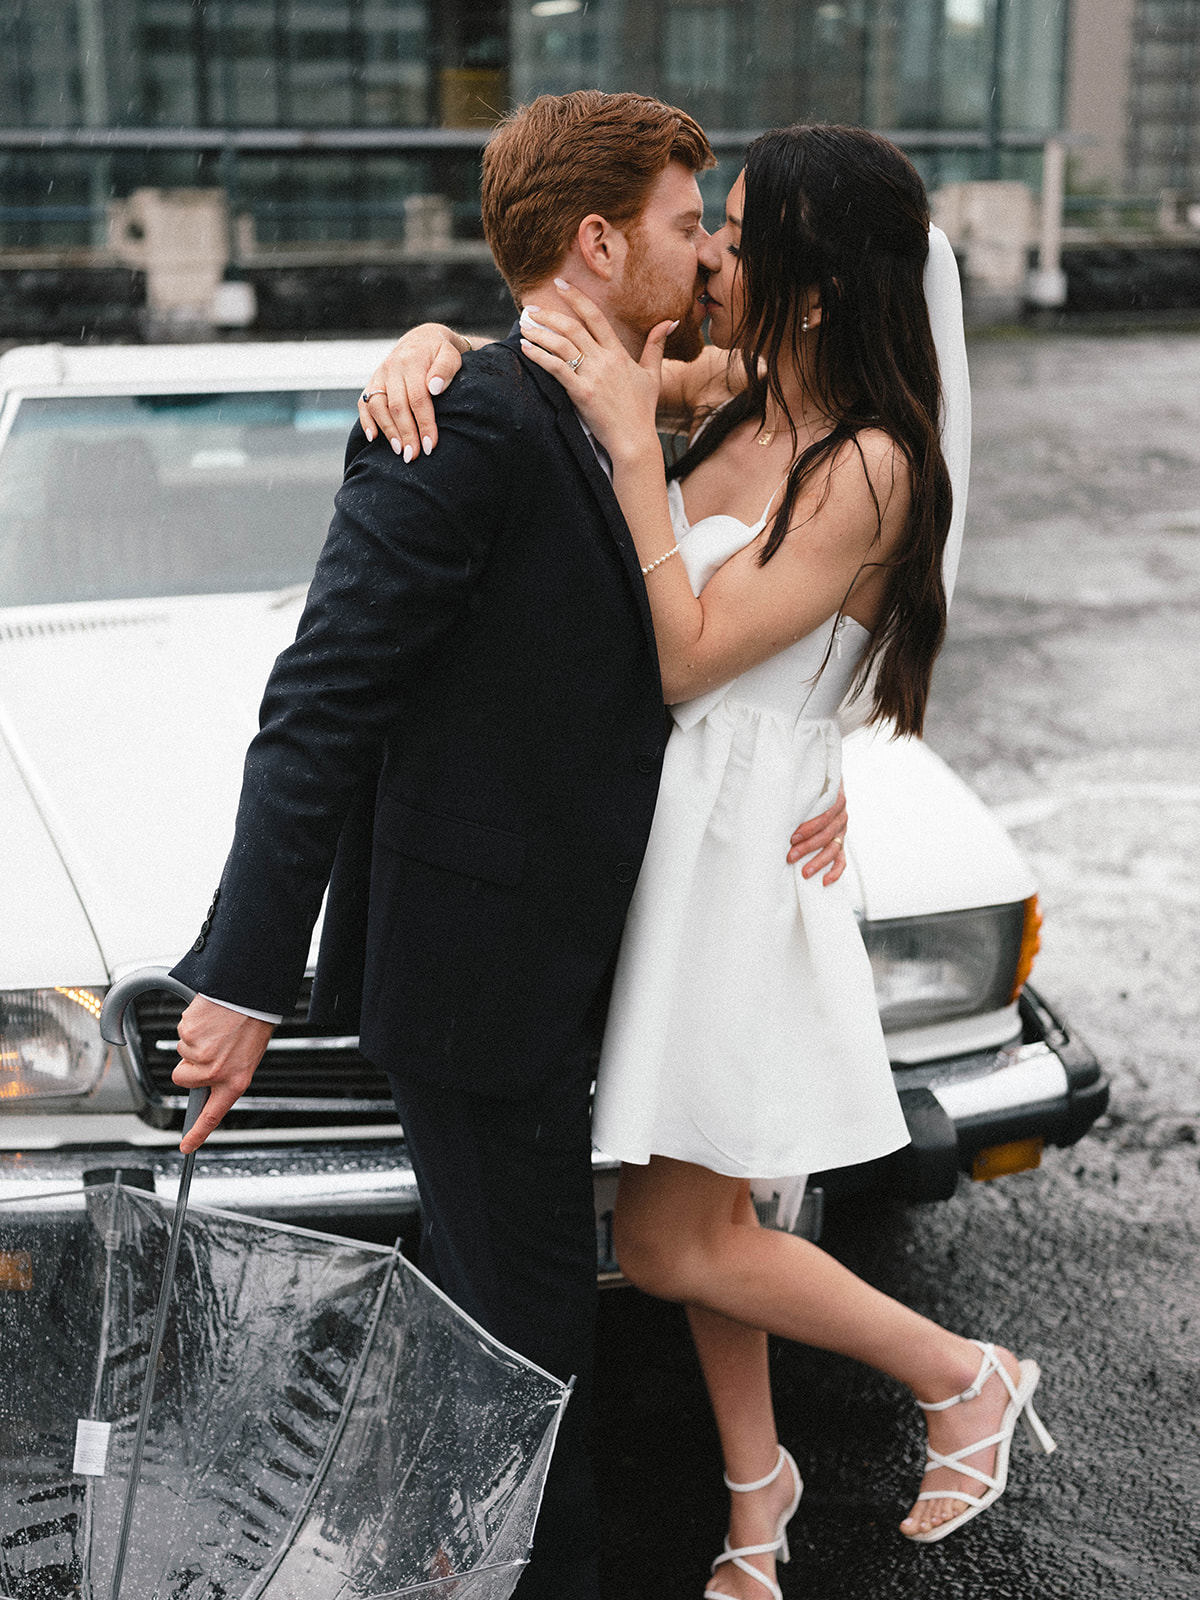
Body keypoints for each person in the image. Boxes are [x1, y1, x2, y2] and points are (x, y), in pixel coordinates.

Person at [165, 91, 848, 1600]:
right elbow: (324, 698)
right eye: (689, 225)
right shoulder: (466, 412)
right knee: (535, 1364)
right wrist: (243, 977)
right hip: (484, 982)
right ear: (601, 241)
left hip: (576, 961)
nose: (707, 254)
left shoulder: (611, 395)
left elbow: (777, 494)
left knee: (499, 1343)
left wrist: (822, 751)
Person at [364, 125, 1056, 1600]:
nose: (712, 256)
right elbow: (538, 355)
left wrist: (629, 445)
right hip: (675, 832)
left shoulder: (871, 463)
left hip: (740, 863)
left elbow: (685, 654)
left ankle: (965, 1371)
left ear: (812, 280)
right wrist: (426, 344)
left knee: (676, 1238)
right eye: (711, 228)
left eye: (738, 234)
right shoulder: (733, 387)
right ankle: (758, 1500)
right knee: (711, 1210)